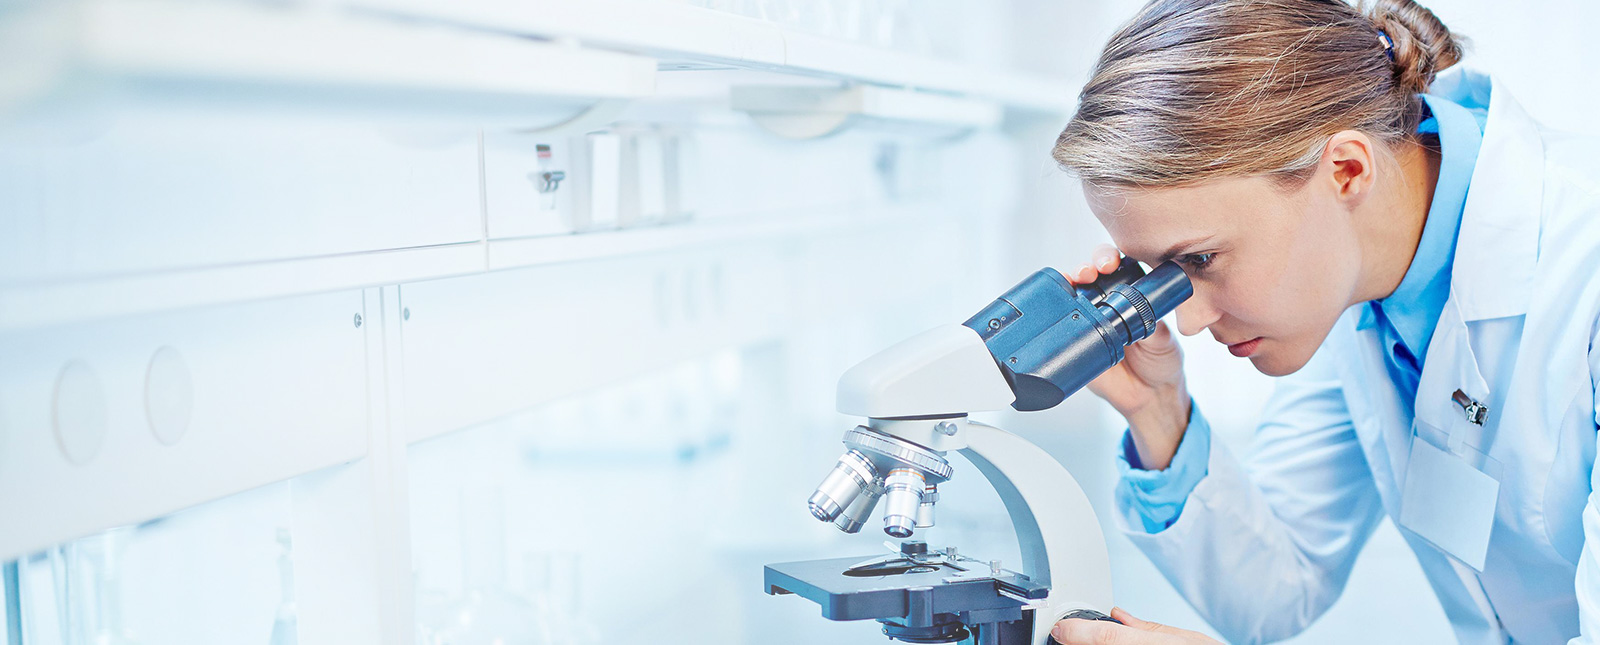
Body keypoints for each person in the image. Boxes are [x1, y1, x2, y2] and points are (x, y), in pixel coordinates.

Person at [1043, 0, 1600, 643]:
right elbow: (1277, 591)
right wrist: (1157, 411)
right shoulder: (1351, 278)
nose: (1188, 322)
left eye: (1199, 259)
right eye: (1160, 275)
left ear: (1347, 170)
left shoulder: (1581, 268)